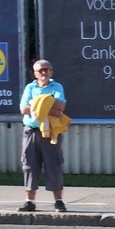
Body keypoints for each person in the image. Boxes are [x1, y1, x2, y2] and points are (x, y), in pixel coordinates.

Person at [18, 58, 68, 212]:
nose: (44, 72)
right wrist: (46, 103)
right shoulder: (30, 88)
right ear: (35, 73)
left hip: (50, 132)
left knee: (54, 165)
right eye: (41, 70)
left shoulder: (57, 86)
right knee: (29, 165)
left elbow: (60, 107)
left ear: (51, 72)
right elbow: (23, 109)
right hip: (32, 131)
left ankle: (58, 201)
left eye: (47, 69)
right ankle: (29, 202)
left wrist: (36, 104)